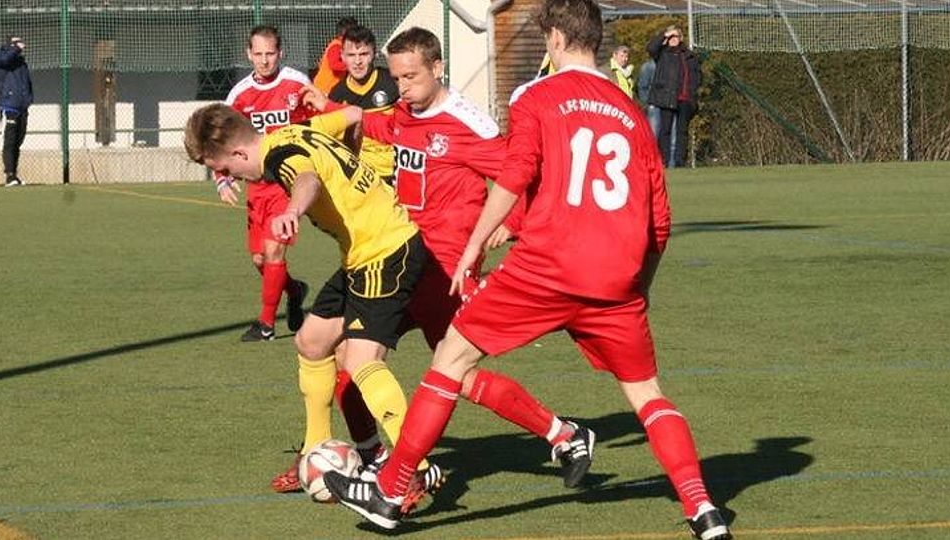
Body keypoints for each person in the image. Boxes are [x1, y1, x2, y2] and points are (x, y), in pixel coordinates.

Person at [322, 2, 732, 539]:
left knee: (450, 360)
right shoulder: (631, 112)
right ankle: (703, 509)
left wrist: (475, 243)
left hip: (546, 267)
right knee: (649, 396)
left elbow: (513, 176)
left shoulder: (534, 96)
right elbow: (660, 222)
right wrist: (641, 288)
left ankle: (391, 491)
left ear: (556, 38)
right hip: (616, 276)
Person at [304, 25, 595, 507]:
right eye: (397, 78)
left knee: (452, 375)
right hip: (400, 258)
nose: (402, 88)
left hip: (446, 271)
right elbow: (382, 127)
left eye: (411, 77)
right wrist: (331, 108)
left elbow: (523, 175)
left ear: (438, 68)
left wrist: (511, 224)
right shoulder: (405, 110)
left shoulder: (469, 125)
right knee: (347, 360)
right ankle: (379, 461)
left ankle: (560, 435)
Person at [185, 102, 444, 503]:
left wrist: (293, 209)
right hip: (361, 253)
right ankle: (314, 452)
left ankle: (417, 469)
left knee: (361, 361)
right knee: (311, 342)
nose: (230, 176)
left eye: (224, 169)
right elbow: (354, 115)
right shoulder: (297, 129)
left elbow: (306, 179)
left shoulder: (281, 155)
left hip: (385, 250)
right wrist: (354, 166)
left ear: (237, 153)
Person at [217, 25, 312, 343]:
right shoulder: (239, 95)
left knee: (273, 251)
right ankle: (294, 290)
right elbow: (224, 140)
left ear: (280, 52)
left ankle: (266, 325)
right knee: (260, 260)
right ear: (249, 54)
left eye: (270, 53)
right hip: (256, 186)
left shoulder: (297, 84)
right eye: (258, 54)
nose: (264, 60)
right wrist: (222, 177)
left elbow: (317, 124)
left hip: (288, 182)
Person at [328, 24, 398, 183]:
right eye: (351, 55)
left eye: (364, 54)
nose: (357, 61)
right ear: (342, 56)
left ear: (374, 54)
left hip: (396, 171)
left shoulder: (393, 82)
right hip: (363, 177)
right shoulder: (337, 95)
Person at [646, 25, 701, 168]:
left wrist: (692, 94)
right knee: (665, 130)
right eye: (670, 37)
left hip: (685, 98)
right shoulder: (662, 54)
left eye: (675, 36)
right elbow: (651, 48)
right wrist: (665, 34)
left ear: (681, 38)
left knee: (682, 131)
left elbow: (696, 77)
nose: (673, 39)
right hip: (667, 98)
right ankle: (664, 160)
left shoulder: (689, 56)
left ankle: (679, 161)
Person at [0, 36, 32, 187]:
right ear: (10, 44)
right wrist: (16, 48)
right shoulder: (1, 56)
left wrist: (28, 99)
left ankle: (15, 175)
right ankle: (9, 175)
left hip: (22, 106)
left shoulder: (21, 63)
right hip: (8, 105)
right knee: (10, 141)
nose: (20, 44)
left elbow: (26, 82)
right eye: (16, 42)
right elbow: (4, 60)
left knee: (18, 140)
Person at [311, 16, 358, 94]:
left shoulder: (340, 46)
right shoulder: (336, 46)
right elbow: (334, 65)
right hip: (324, 89)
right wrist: (352, 66)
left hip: (328, 88)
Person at [636, 57, 661, 136]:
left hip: (666, 104)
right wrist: (647, 104)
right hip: (653, 105)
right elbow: (642, 87)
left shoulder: (668, 65)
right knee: (653, 134)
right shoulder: (649, 66)